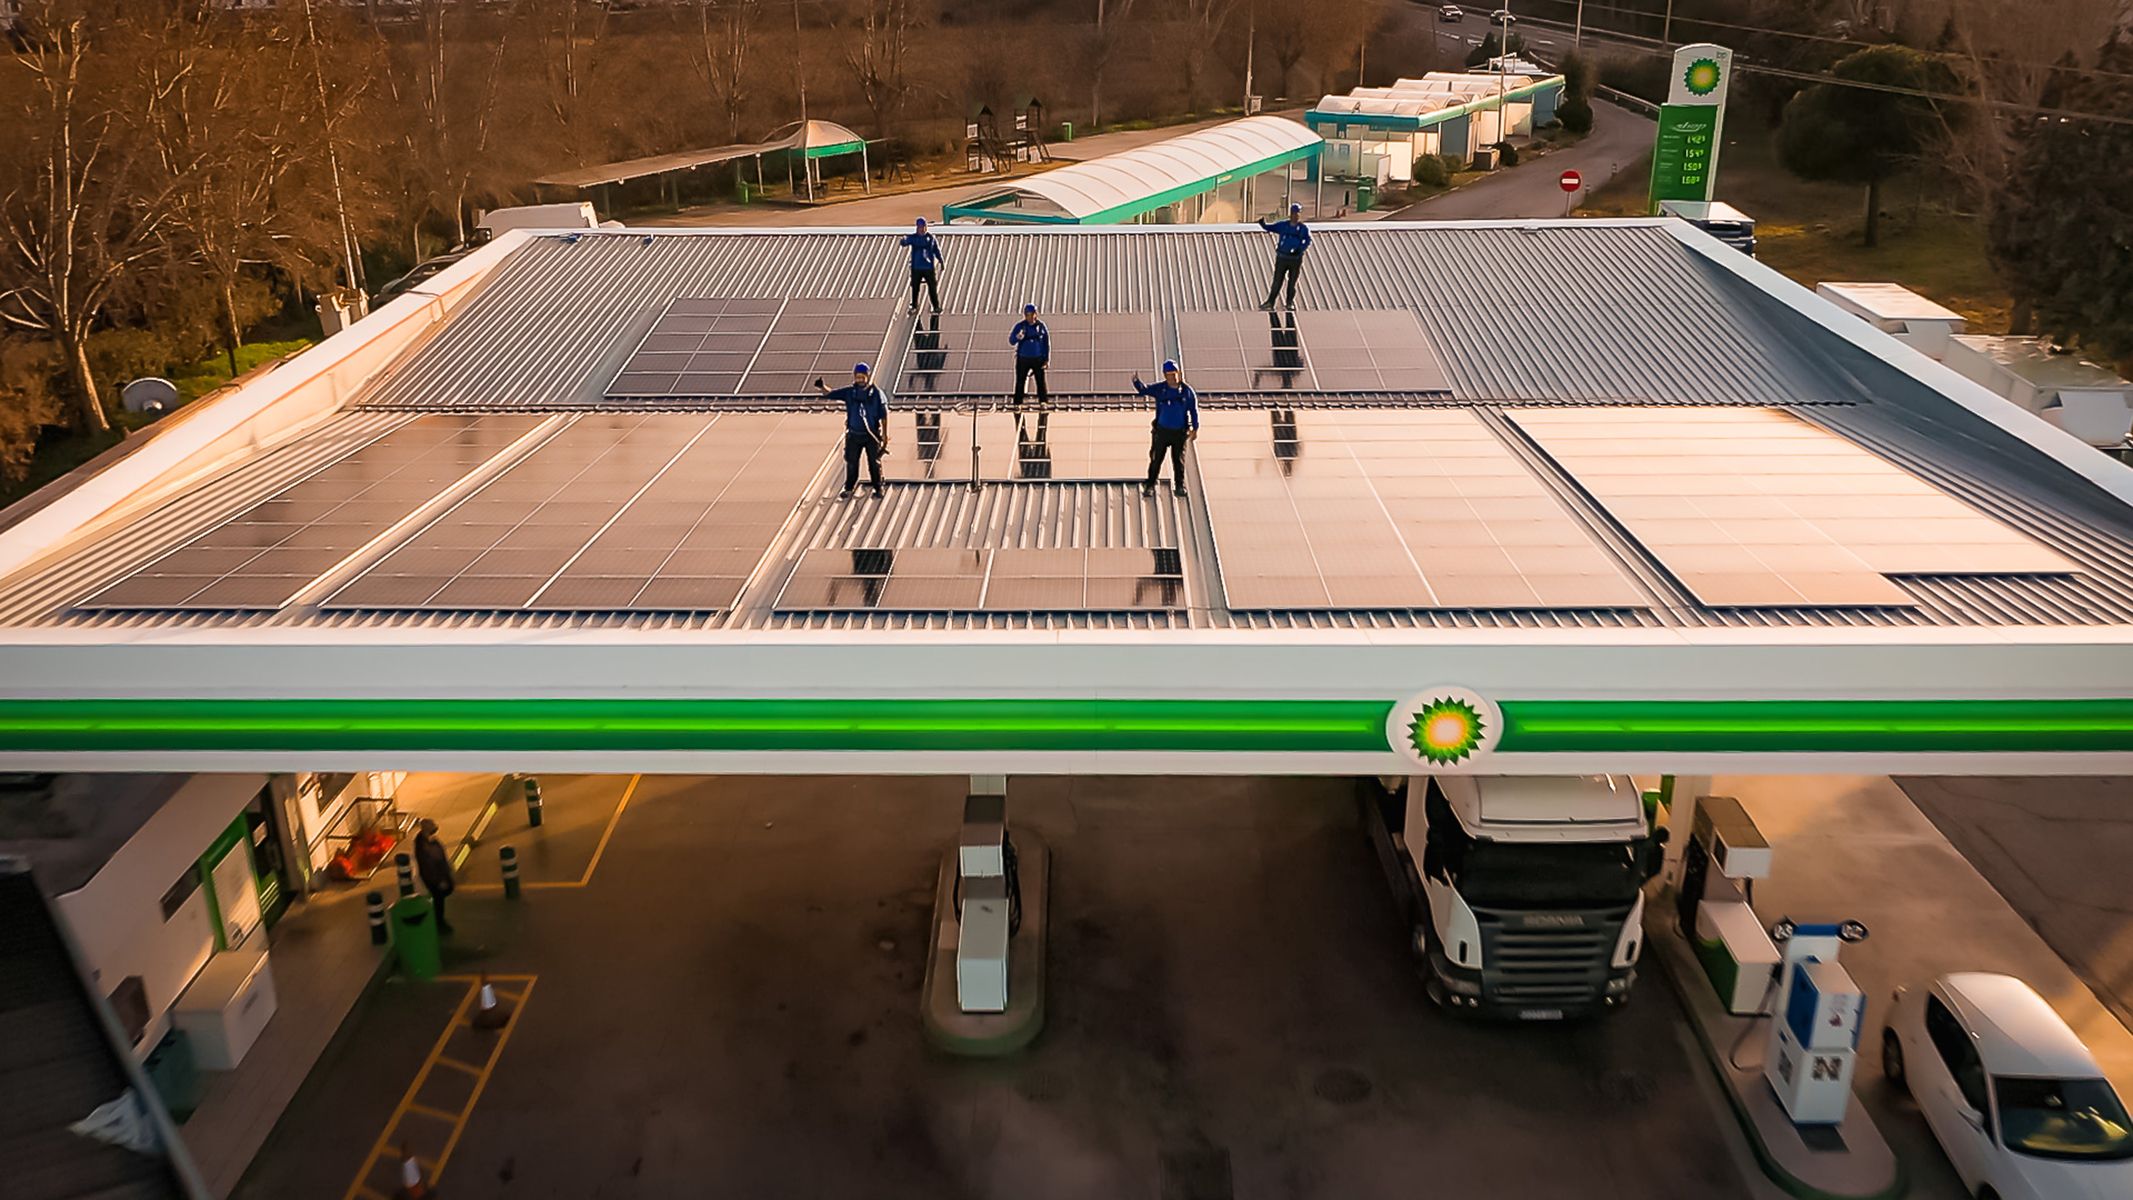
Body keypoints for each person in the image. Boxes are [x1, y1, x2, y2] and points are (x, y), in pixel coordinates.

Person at [815, 363, 891, 499]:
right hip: (854, 436)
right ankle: (849, 488)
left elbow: (884, 415)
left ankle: (878, 487)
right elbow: (830, 394)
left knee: (874, 463)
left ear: (868, 376)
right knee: (851, 462)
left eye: (863, 377)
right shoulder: (850, 392)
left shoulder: (877, 394)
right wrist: (822, 387)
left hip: (871, 436)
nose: (860, 380)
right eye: (858, 377)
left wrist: (884, 437)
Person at [1134, 360, 1200, 498]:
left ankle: (1180, 486)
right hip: (1162, 432)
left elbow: (1193, 410)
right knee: (1156, 459)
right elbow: (1144, 390)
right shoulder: (1160, 389)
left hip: (1179, 433)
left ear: (1179, 373)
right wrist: (1136, 382)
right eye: (1170, 374)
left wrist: (1195, 428)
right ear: (1165, 375)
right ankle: (1150, 485)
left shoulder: (1187, 392)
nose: (1173, 377)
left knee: (1178, 461)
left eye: (1175, 373)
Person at [1257, 202, 1312, 310]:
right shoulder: (1283, 225)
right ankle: (1270, 302)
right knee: (1277, 281)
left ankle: (1289, 302)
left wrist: (1300, 249)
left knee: (1292, 282)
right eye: (1294, 213)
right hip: (1282, 257)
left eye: (1298, 213)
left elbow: (1307, 240)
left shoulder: (1302, 228)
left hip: (1295, 259)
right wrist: (1263, 225)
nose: (1296, 215)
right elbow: (1271, 228)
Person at [412, 819, 456, 936]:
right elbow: (429, 866)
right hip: (434, 878)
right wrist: (439, 880)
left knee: (440, 897)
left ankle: (438, 921)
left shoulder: (430, 842)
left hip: (438, 875)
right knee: (439, 899)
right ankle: (438, 922)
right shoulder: (424, 847)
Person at [899, 217, 944, 314]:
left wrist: (941, 260)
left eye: (923, 226)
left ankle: (936, 306)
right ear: (917, 227)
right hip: (916, 268)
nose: (922, 228)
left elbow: (936, 250)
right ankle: (914, 306)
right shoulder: (913, 238)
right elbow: (905, 242)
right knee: (915, 287)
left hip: (928, 268)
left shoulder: (931, 238)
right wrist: (903, 240)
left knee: (932, 287)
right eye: (920, 227)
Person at [1009, 302, 1050, 407]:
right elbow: (1011, 340)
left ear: (1036, 314)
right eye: (1027, 314)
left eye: (1032, 314)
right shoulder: (1020, 326)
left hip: (1038, 359)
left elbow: (1046, 343)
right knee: (1020, 381)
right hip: (1023, 359)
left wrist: (1046, 359)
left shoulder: (1041, 327)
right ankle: (1018, 403)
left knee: (1040, 381)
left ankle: (1043, 401)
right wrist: (1018, 337)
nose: (1030, 316)